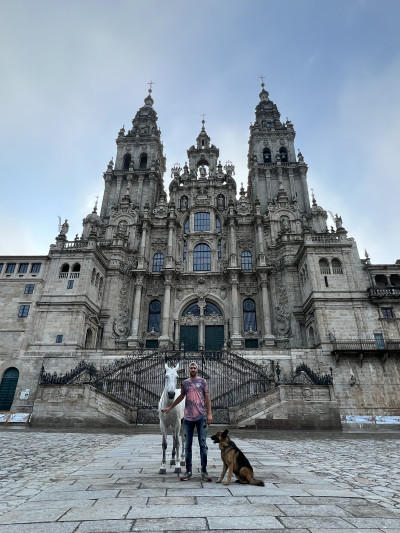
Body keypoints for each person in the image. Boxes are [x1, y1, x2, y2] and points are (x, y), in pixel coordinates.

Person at [162, 361, 212, 481]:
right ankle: (188, 472)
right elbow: (180, 397)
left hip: (201, 417)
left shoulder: (203, 381)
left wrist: (209, 413)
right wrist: (170, 407)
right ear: (189, 370)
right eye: (191, 368)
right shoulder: (185, 383)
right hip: (188, 418)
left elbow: (207, 397)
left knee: (203, 445)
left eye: (195, 367)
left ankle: (204, 471)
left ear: (197, 369)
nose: (193, 369)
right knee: (188, 445)